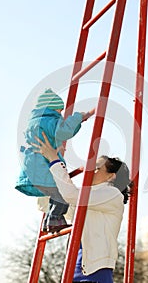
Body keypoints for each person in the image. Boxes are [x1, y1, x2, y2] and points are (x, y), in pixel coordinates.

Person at [32, 131, 132, 283]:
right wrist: (47, 167)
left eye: (96, 168)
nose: (89, 171)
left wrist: (54, 160)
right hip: (75, 268)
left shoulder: (112, 194)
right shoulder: (90, 199)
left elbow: (71, 195)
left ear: (111, 176)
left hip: (95, 272)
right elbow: (53, 204)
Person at [16, 88, 94, 232]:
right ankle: (54, 219)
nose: (61, 115)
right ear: (52, 109)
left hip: (32, 171)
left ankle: (49, 221)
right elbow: (64, 131)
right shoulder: (49, 120)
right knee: (63, 193)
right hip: (43, 169)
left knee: (55, 194)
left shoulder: (33, 123)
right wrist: (79, 117)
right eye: (59, 111)